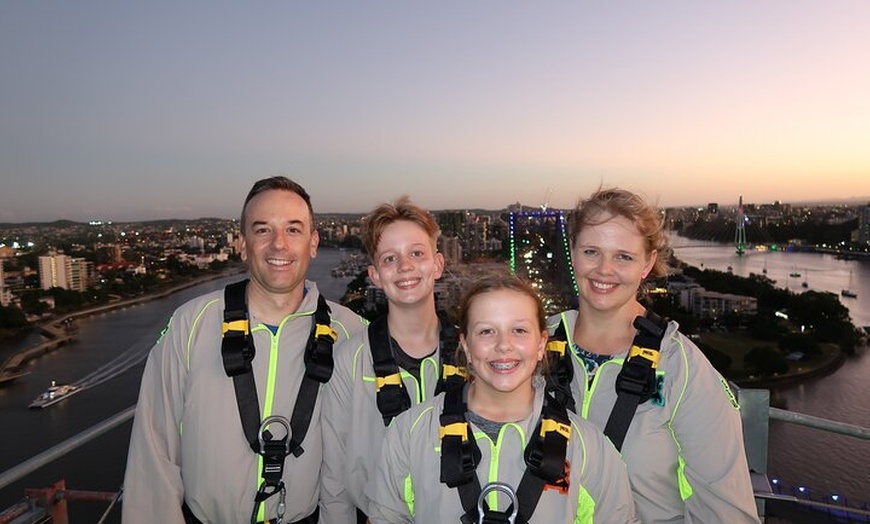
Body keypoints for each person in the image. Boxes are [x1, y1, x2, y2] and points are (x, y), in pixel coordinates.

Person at [122, 176, 366, 524]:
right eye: (262, 230)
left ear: (313, 243)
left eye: (293, 230)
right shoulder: (190, 324)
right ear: (242, 244)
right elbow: (153, 451)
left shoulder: (351, 332)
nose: (278, 245)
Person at [547, 187, 759, 523]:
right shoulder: (532, 348)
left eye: (624, 256)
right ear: (572, 252)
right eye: (591, 251)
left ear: (647, 264)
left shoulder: (680, 368)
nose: (604, 270)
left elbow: (726, 512)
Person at [366, 271, 639, 524]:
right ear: (466, 346)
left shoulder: (587, 448)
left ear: (542, 343)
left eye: (519, 330)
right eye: (486, 331)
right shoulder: (410, 434)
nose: (503, 345)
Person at [321, 196, 458, 523]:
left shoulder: (475, 352)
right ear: (375, 275)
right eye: (390, 258)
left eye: (416, 253)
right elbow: (334, 477)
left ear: (437, 264)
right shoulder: (349, 361)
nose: (405, 267)